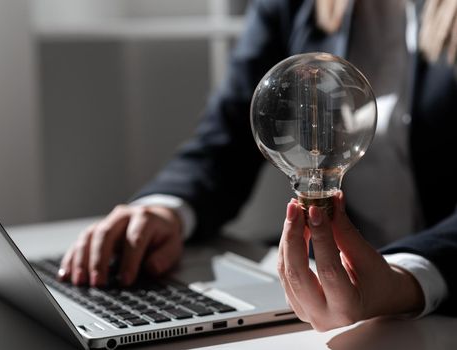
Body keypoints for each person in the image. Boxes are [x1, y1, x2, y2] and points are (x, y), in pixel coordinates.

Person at [58, 0, 457, 331]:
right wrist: (165, 208)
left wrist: (408, 274)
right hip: (342, 311)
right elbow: (225, 137)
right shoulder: (294, 5)